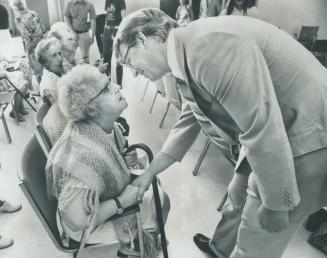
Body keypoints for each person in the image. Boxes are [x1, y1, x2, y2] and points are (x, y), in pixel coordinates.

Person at [114, 8, 327, 258]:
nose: (134, 72)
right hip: (275, 130)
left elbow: (262, 128)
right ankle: (219, 250)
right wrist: (150, 172)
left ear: (142, 39)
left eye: (130, 62)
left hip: (305, 133)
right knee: (236, 195)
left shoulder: (205, 47)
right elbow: (188, 120)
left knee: (256, 238)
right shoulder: (185, 52)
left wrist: (276, 204)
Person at [45, 64, 170, 258]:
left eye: (110, 82)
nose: (117, 87)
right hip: (86, 228)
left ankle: (147, 244)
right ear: (91, 109)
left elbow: (109, 160)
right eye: (106, 89)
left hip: (98, 205)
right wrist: (121, 202)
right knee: (159, 200)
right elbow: (78, 220)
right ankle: (141, 247)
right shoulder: (84, 157)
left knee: (159, 195)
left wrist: (120, 160)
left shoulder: (108, 128)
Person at [9, 0, 45, 83]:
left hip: (32, 46)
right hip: (42, 42)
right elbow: (43, 28)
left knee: (37, 71)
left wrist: (28, 49)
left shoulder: (18, 18)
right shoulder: (33, 13)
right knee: (46, 66)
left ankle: (43, 91)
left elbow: (25, 35)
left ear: (14, 7)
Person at [102, 0, 126, 84]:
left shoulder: (121, 1)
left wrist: (121, 33)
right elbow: (107, 16)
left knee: (118, 60)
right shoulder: (107, 0)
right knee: (106, 58)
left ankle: (119, 85)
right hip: (107, 30)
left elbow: (124, 19)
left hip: (117, 31)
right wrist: (105, 31)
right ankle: (106, 83)